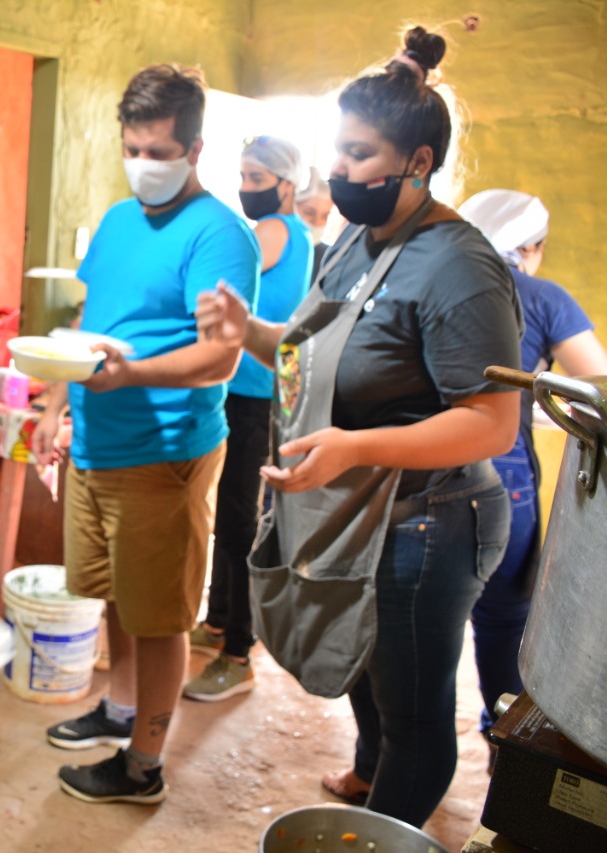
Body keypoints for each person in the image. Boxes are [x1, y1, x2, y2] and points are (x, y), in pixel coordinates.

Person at [196, 26, 521, 828]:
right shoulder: (356, 238)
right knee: (366, 664)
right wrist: (251, 332)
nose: (339, 171)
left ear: (419, 163)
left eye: (361, 155)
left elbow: (491, 423)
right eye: (336, 151)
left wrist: (356, 446)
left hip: (429, 520)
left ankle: (384, 829)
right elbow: (321, 353)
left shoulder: (459, 266)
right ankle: (370, 769)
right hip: (359, 506)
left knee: (414, 708)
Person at [30, 63, 260, 804]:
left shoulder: (222, 235)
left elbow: (219, 356)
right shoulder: (119, 219)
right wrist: (55, 407)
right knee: (118, 597)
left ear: (194, 151)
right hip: (98, 438)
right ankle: (121, 707)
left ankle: (142, 765)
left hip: (164, 450)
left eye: (160, 152)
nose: (143, 166)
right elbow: (90, 320)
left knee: (161, 615)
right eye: (133, 148)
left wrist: (130, 375)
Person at [458, 189, 607, 738]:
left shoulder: (439, 285)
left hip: (418, 478)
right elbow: (597, 390)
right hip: (503, 480)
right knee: (501, 622)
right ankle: (506, 744)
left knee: (414, 632)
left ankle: (374, 766)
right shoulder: (541, 296)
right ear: (531, 247)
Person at [184, 135, 313, 701]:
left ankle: (238, 652)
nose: (245, 188)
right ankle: (217, 622)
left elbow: (222, 282)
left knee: (237, 521)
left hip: (253, 390)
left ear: (287, 185)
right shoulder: (303, 232)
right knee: (232, 516)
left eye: (257, 178)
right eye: (241, 176)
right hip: (259, 389)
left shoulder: (273, 231)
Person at [295, 167, 336, 275]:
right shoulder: (272, 248)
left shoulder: (330, 258)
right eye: (309, 213)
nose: (317, 223)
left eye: (325, 216)